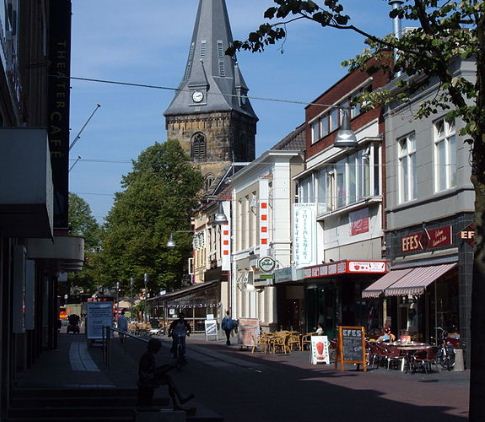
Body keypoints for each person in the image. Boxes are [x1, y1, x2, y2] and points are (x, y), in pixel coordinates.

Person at [137, 338, 195, 413]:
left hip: (148, 378)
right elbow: (148, 373)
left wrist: (167, 367)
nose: (159, 349)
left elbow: (153, 371)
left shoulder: (149, 355)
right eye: (158, 347)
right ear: (154, 347)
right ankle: (178, 400)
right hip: (146, 381)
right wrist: (168, 367)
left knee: (168, 377)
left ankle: (178, 400)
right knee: (168, 378)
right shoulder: (147, 356)